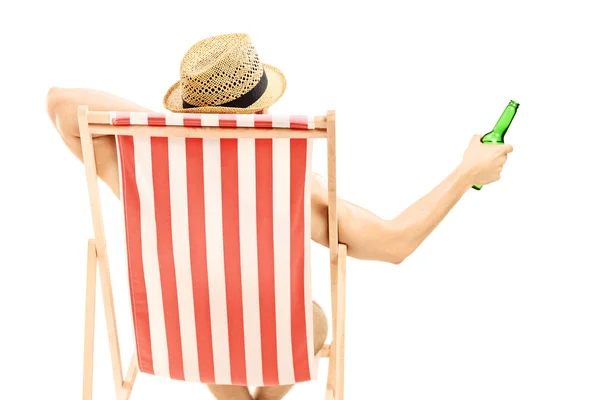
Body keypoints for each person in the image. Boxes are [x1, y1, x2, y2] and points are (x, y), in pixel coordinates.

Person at [46, 33, 514, 400]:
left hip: (183, 341)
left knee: (208, 314)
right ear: (263, 109)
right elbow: (394, 244)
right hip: (266, 340)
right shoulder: (290, 189)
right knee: (309, 321)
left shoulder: (143, 175)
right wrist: (466, 172)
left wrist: (164, 138)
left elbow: (59, 102)